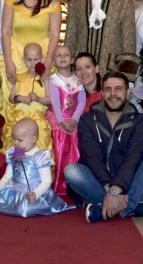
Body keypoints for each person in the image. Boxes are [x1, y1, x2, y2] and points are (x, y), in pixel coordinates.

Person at [65, 72, 143, 223]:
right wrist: (110, 190)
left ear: (127, 93)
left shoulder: (140, 121)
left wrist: (116, 191)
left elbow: (134, 158)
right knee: (71, 171)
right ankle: (132, 206)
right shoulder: (87, 120)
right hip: (100, 184)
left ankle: (105, 208)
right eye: (108, 89)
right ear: (102, 93)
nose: (113, 94)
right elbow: (91, 158)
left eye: (118, 89)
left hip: (130, 184)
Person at [0, 0, 62, 121]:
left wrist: (48, 61)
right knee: (11, 97)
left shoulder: (53, 1)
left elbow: (55, 34)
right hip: (15, 55)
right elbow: (5, 31)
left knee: (42, 98)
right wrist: (8, 61)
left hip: (43, 56)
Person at [0, 119, 74, 217]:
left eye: (20, 140)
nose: (15, 143)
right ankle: (14, 204)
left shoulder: (39, 156)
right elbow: (8, 175)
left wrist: (36, 193)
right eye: (14, 139)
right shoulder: (13, 153)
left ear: (33, 139)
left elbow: (46, 181)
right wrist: (0, 185)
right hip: (14, 189)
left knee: (24, 209)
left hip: (34, 192)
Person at [46, 45, 86, 196]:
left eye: (66, 55)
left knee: (74, 151)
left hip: (73, 121)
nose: (63, 57)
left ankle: (74, 186)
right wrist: (62, 121)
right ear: (53, 61)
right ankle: (58, 185)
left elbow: (82, 101)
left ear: (72, 59)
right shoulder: (54, 80)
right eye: (59, 55)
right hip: (59, 121)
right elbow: (55, 103)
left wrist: (74, 119)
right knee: (60, 152)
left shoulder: (77, 80)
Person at [3, 43, 53, 152]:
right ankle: (16, 161)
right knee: (13, 141)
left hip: (37, 118)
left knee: (41, 140)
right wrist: (19, 98)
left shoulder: (44, 79)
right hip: (19, 117)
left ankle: (38, 162)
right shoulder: (18, 78)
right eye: (29, 59)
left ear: (42, 59)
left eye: (36, 59)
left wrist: (38, 99)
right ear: (24, 60)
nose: (33, 63)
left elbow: (50, 100)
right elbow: (11, 98)